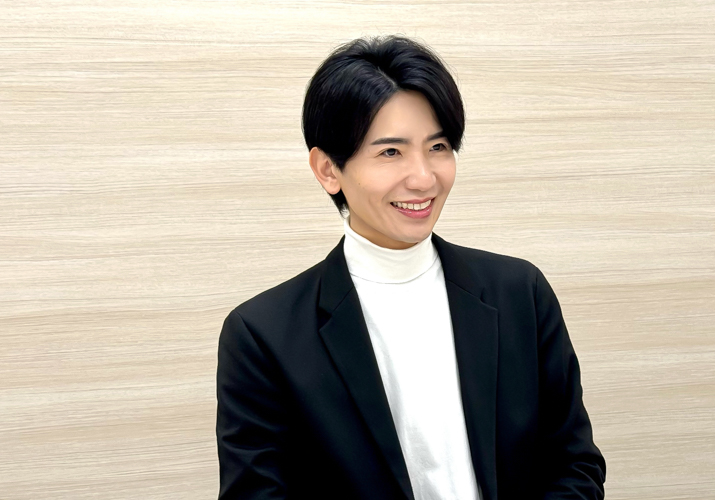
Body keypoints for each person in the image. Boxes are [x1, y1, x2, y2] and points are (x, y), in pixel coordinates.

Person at [216, 34, 606, 500]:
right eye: (391, 152)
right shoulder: (262, 336)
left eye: (438, 147)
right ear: (328, 170)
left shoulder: (520, 292)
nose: (423, 178)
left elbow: (574, 465)